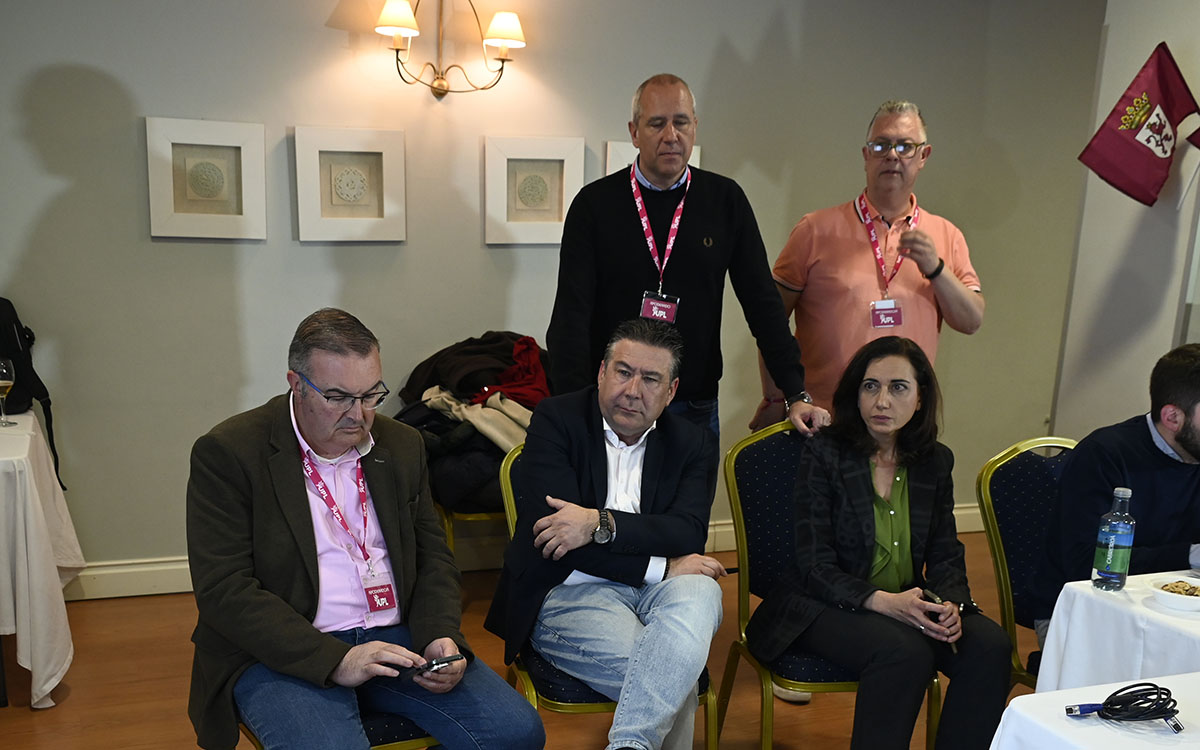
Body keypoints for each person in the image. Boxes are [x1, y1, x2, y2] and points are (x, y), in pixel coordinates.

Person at [186, 308, 544, 750]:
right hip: (286, 647)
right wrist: (338, 659)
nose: (358, 415)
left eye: (371, 394)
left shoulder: (402, 444)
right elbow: (224, 590)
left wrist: (439, 633)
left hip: (396, 638)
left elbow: (432, 556)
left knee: (517, 732)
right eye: (338, 397)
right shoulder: (230, 453)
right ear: (296, 384)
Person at [745, 336, 1011, 750]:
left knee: (990, 647)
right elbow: (814, 565)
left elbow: (945, 552)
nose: (881, 401)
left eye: (898, 387)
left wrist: (953, 605)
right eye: (871, 386)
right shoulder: (825, 454)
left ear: (920, 399)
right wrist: (885, 602)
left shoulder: (935, 461)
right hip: (820, 605)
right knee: (904, 652)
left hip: (906, 601)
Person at [486, 318, 726, 750]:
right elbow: (555, 540)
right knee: (676, 679)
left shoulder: (692, 442)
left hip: (658, 587)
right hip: (571, 589)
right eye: (623, 371)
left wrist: (599, 523)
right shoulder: (556, 419)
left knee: (702, 589)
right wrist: (661, 567)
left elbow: (687, 532)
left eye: (650, 379)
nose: (632, 390)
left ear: (671, 391)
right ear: (601, 372)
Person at [547, 73, 828, 439]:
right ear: (634, 132)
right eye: (656, 124)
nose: (671, 135)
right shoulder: (594, 205)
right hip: (613, 403)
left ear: (695, 127)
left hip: (692, 404)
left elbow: (764, 306)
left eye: (681, 122)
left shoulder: (725, 200)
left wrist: (795, 393)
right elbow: (570, 318)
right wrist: (574, 408)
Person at [751, 100, 984, 425]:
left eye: (905, 146)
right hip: (824, 420)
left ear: (923, 156)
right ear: (866, 155)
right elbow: (770, 323)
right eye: (881, 145)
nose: (892, 155)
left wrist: (936, 269)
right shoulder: (815, 230)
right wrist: (780, 397)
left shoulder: (947, 235)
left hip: (905, 428)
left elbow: (971, 321)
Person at [1029, 343, 1200, 643]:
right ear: (1173, 417)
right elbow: (1086, 563)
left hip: (1176, 608)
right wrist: (1189, 555)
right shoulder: (1103, 455)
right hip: (1082, 609)